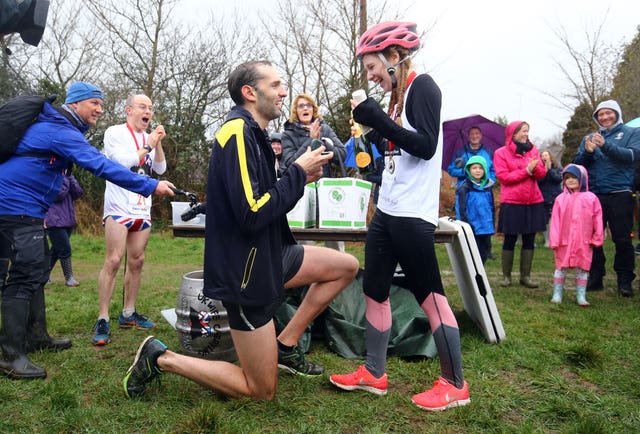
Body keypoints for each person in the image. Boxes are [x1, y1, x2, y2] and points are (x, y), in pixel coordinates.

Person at [122, 60, 359, 401]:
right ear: (250, 92)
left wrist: (299, 178)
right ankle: (161, 357)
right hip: (246, 272)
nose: (283, 92)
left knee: (344, 267)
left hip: (270, 254)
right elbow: (252, 213)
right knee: (261, 390)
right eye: (276, 85)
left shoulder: (254, 132)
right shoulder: (235, 132)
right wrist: (296, 174)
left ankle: (286, 344)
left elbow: (264, 199)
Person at [327, 21, 470, 412]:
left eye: (373, 66)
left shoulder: (423, 87)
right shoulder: (395, 98)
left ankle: (455, 383)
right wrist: (363, 136)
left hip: (413, 214)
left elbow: (424, 146)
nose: (370, 75)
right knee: (374, 288)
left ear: (394, 57)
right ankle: (374, 372)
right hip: (387, 210)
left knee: (430, 295)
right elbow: (389, 147)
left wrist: (381, 121)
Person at [0, 81, 175, 379]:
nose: (99, 109)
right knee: (25, 273)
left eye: (101, 103)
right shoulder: (60, 130)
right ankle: (10, 356)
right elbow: (101, 165)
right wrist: (150, 185)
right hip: (14, 205)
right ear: (77, 103)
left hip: (23, 207)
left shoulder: (58, 127)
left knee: (36, 269)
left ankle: (36, 335)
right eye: (94, 102)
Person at [92, 94, 168, 346]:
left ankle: (128, 312)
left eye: (151, 108)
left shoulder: (149, 137)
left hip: (141, 208)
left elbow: (159, 170)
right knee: (114, 260)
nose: (148, 111)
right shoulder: (115, 132)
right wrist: (147, 144)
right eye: (143, 107)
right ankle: (103, 317)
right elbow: (123, 162)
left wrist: (156, 144)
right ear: (129, 110)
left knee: (137, 261)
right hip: (118, 206)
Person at [573, 100, 640, 297]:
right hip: (594, 194)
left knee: (622, 239)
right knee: (593, 239)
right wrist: (587, 152)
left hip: (621, 193)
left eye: (608, 113)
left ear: (617, 114)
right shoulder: (590, 137)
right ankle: (595, 276)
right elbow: (578, 166)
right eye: (600, 114)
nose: (604, 117)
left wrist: (606, 145)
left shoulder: (631, 133)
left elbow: (631, 156)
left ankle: (624, 280)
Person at [281, 93, 347, 251]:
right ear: (295, 111)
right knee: (303, 243)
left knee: (335, 240)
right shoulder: (288, 134)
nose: (305, 108)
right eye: (301, 106)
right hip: (301, 193)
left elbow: (342, 154)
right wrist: (311, 141)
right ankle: (305, 274)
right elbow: (290, 164)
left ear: (313, 109)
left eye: (308, 105)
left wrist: (326, 145)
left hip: (327, 194)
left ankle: (337, 272)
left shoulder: (325, 129)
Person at [493, 121, 547, 288]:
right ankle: (506, 277)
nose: (526, 134)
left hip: (533, 200)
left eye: (527, 131)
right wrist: (526, 171)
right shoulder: (501, 153)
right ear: (513, 134)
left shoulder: (533, 150)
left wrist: (536, 168)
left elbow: (542, 175)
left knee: (529, 238)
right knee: (510, 238)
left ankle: (526, 277)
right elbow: (504, 177)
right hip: (512, 202)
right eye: (523, 131)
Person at [549, 164, 603, 306]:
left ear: (583, 179)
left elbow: (598, 219)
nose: (571, 180)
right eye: (567, 178)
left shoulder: (591, 198)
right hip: (564, 241)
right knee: (560, 267)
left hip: (583, 241)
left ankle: (581, 296)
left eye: (574, 177)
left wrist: (597, 238)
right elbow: (555, 221)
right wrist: (554, 240)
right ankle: (557, 294)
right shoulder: (560, 199)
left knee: (583, 268)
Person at [447, 126, 497, 259]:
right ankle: (471, 254)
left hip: (483, 188)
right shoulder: (460, 152)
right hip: (467, 191)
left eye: (477, 133)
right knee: (470, 222)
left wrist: (489, 180)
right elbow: (451, 169)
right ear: (468, 136)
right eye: (472, 134)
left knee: (484, 220)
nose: (475, 136)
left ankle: (486, 252)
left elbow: (492, 170)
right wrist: (465, 170)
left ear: (481, 135)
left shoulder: (487, 152)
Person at [44, 172, 83, 287]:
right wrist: (65, 178)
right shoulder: (51, 175)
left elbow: (78, 193)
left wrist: (70, 176)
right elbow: (59, 194)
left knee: (56, 250)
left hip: (67, 219)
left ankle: (44, 276)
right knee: (65, 249)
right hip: (54, 220)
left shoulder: (66, 176)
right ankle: (69, 278)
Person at [456, 155, 495, 264]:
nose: (478, 171)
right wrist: (466, 225)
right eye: (474, 168)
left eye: (480, 168)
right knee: (473, 255)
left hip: (485, 226)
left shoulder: (488, 187)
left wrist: (491, 223)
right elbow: (461, 209)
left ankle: (480, 275)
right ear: (469, 170)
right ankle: (474, 278)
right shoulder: (464, 188)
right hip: (473, 227)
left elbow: (491, 207)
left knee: (484, 253)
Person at [537, 150, 563, 248]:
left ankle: (557, 239)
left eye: (546, 155)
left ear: (550, 157)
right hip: (543, 198)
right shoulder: (539, 169)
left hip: (556, 196)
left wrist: (550, 170)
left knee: (557, 218)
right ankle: (547, 240)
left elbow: (558, 179)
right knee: (545, 220)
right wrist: (544, 171)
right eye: (542, 155)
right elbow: (538, 182)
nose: (544, 157)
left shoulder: (557, 168)